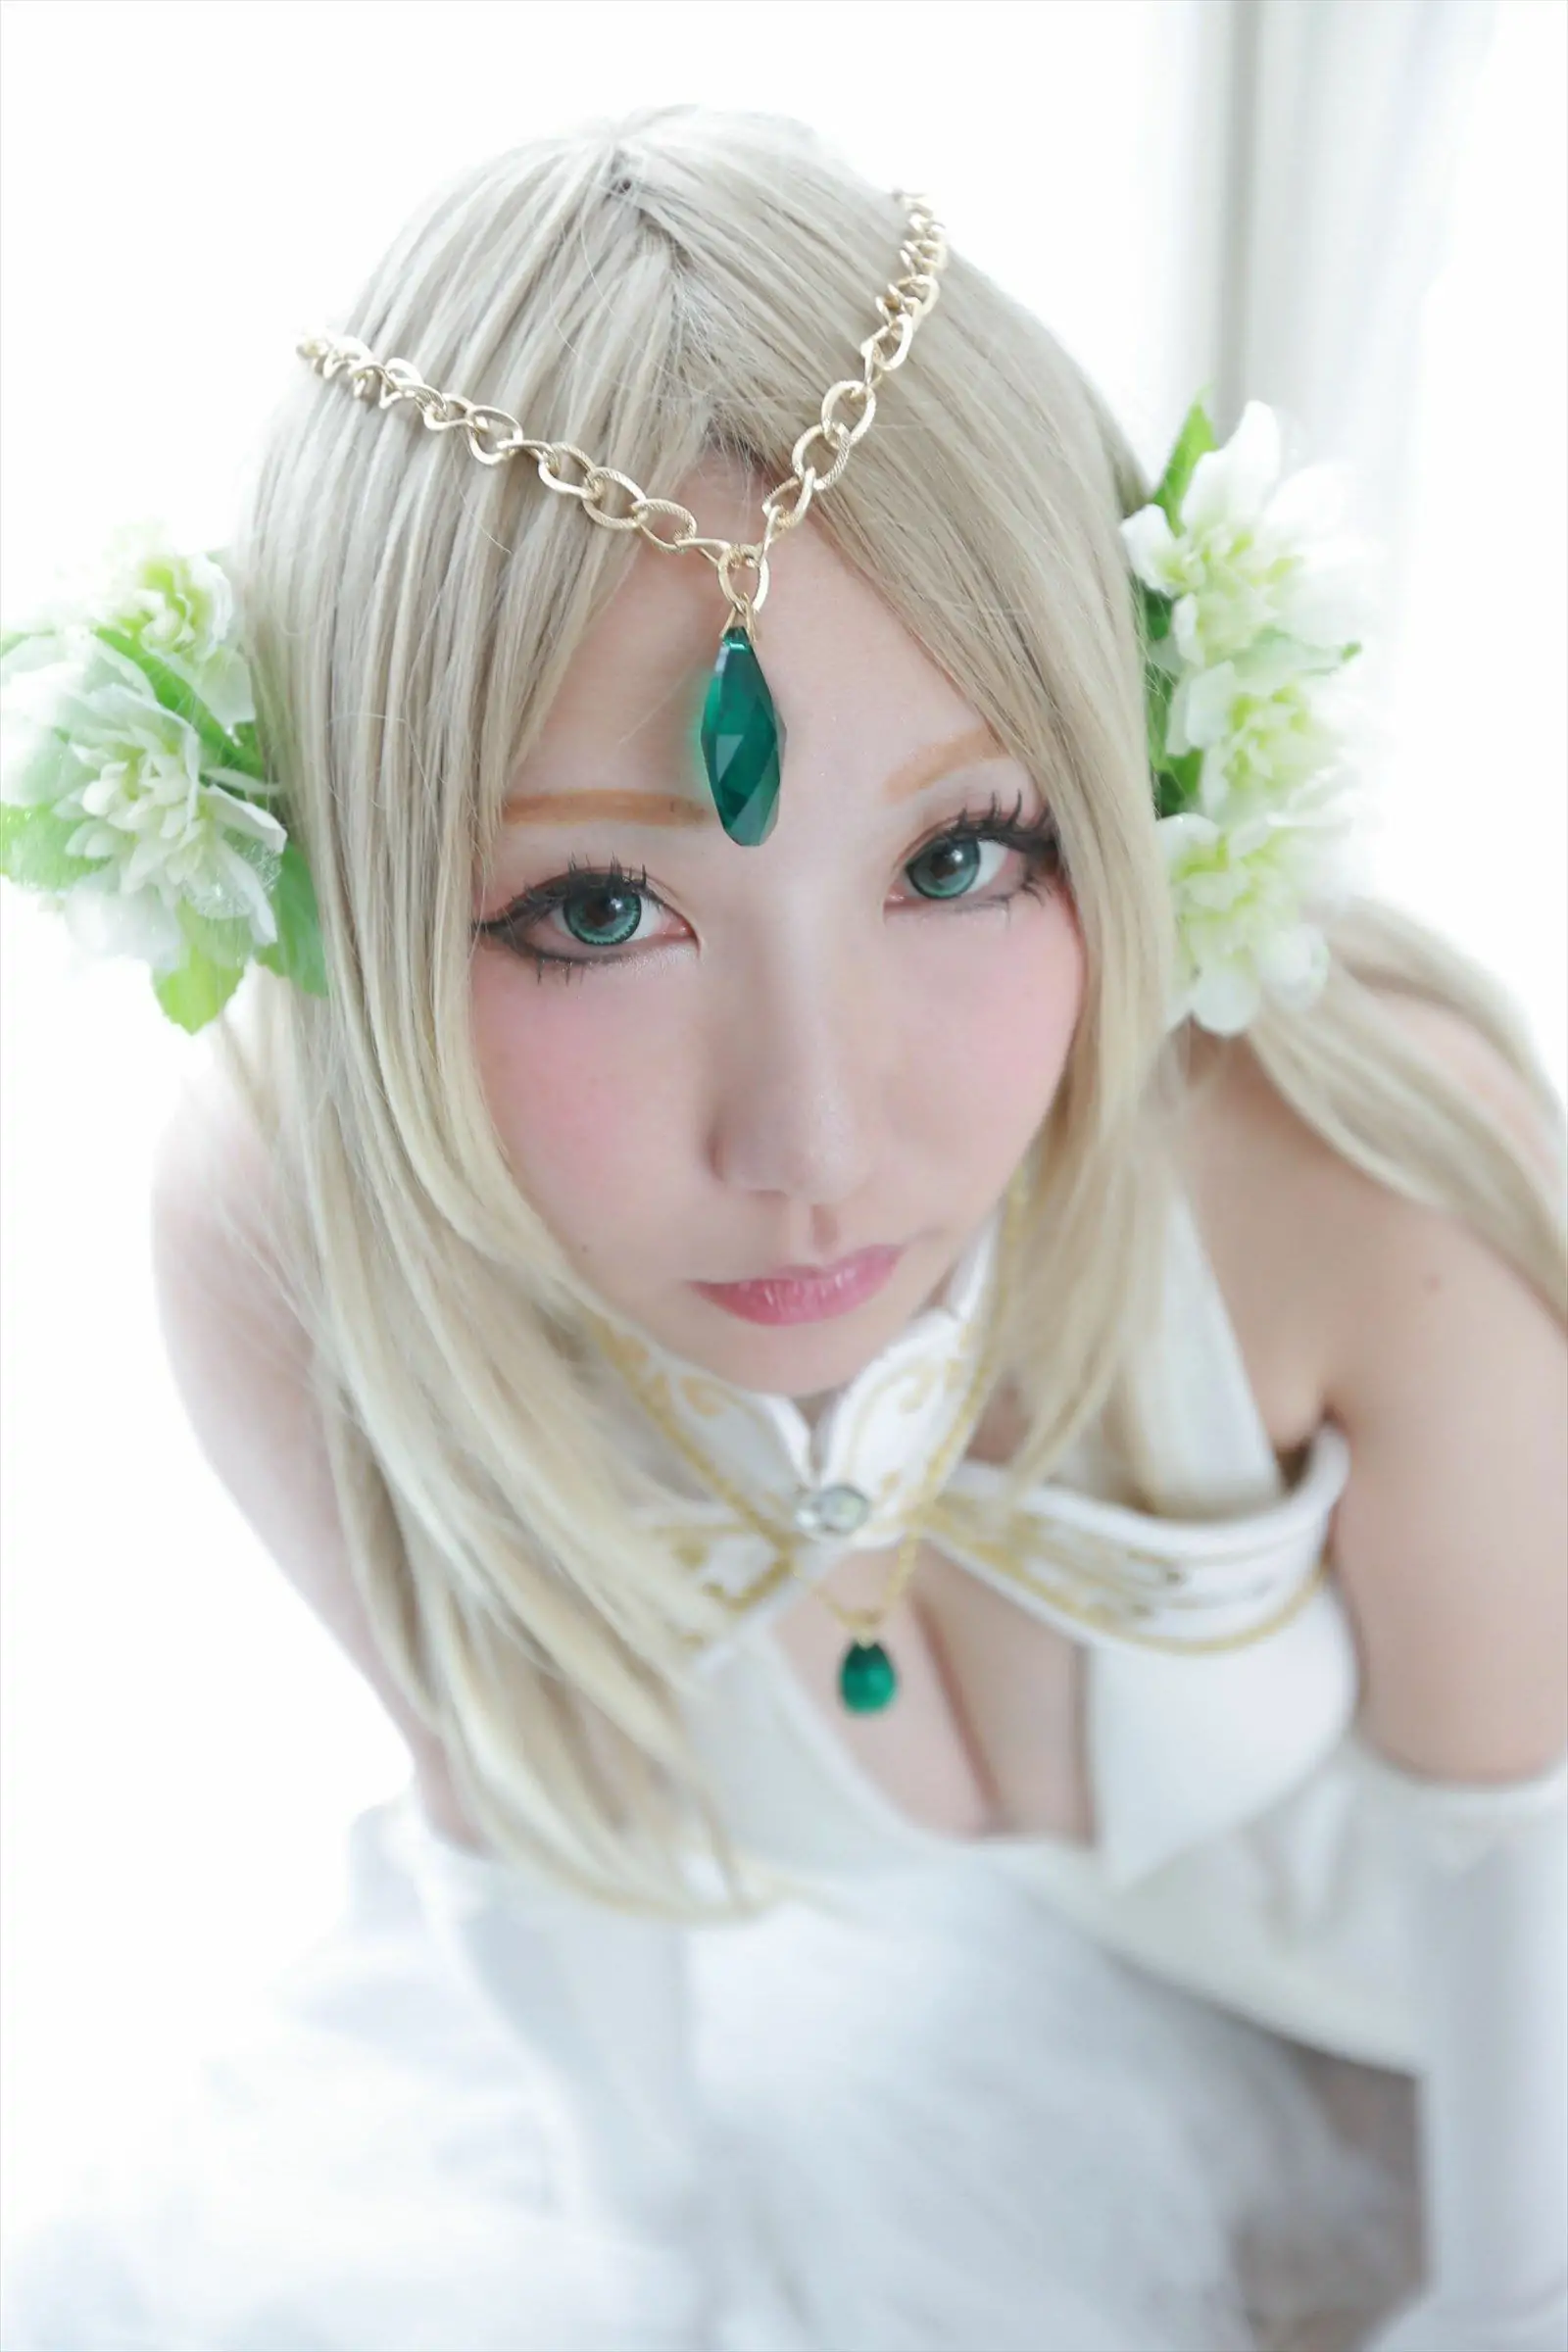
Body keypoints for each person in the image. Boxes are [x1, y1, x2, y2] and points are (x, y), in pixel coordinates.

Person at [1, 103, 1564, 2352]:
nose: (813, 1138)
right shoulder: (296, 1244)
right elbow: (533, 1857)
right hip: (1072, 2053)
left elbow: (1515, 1873)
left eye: (956, 857)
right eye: (595, 910)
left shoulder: (1345, 1171)